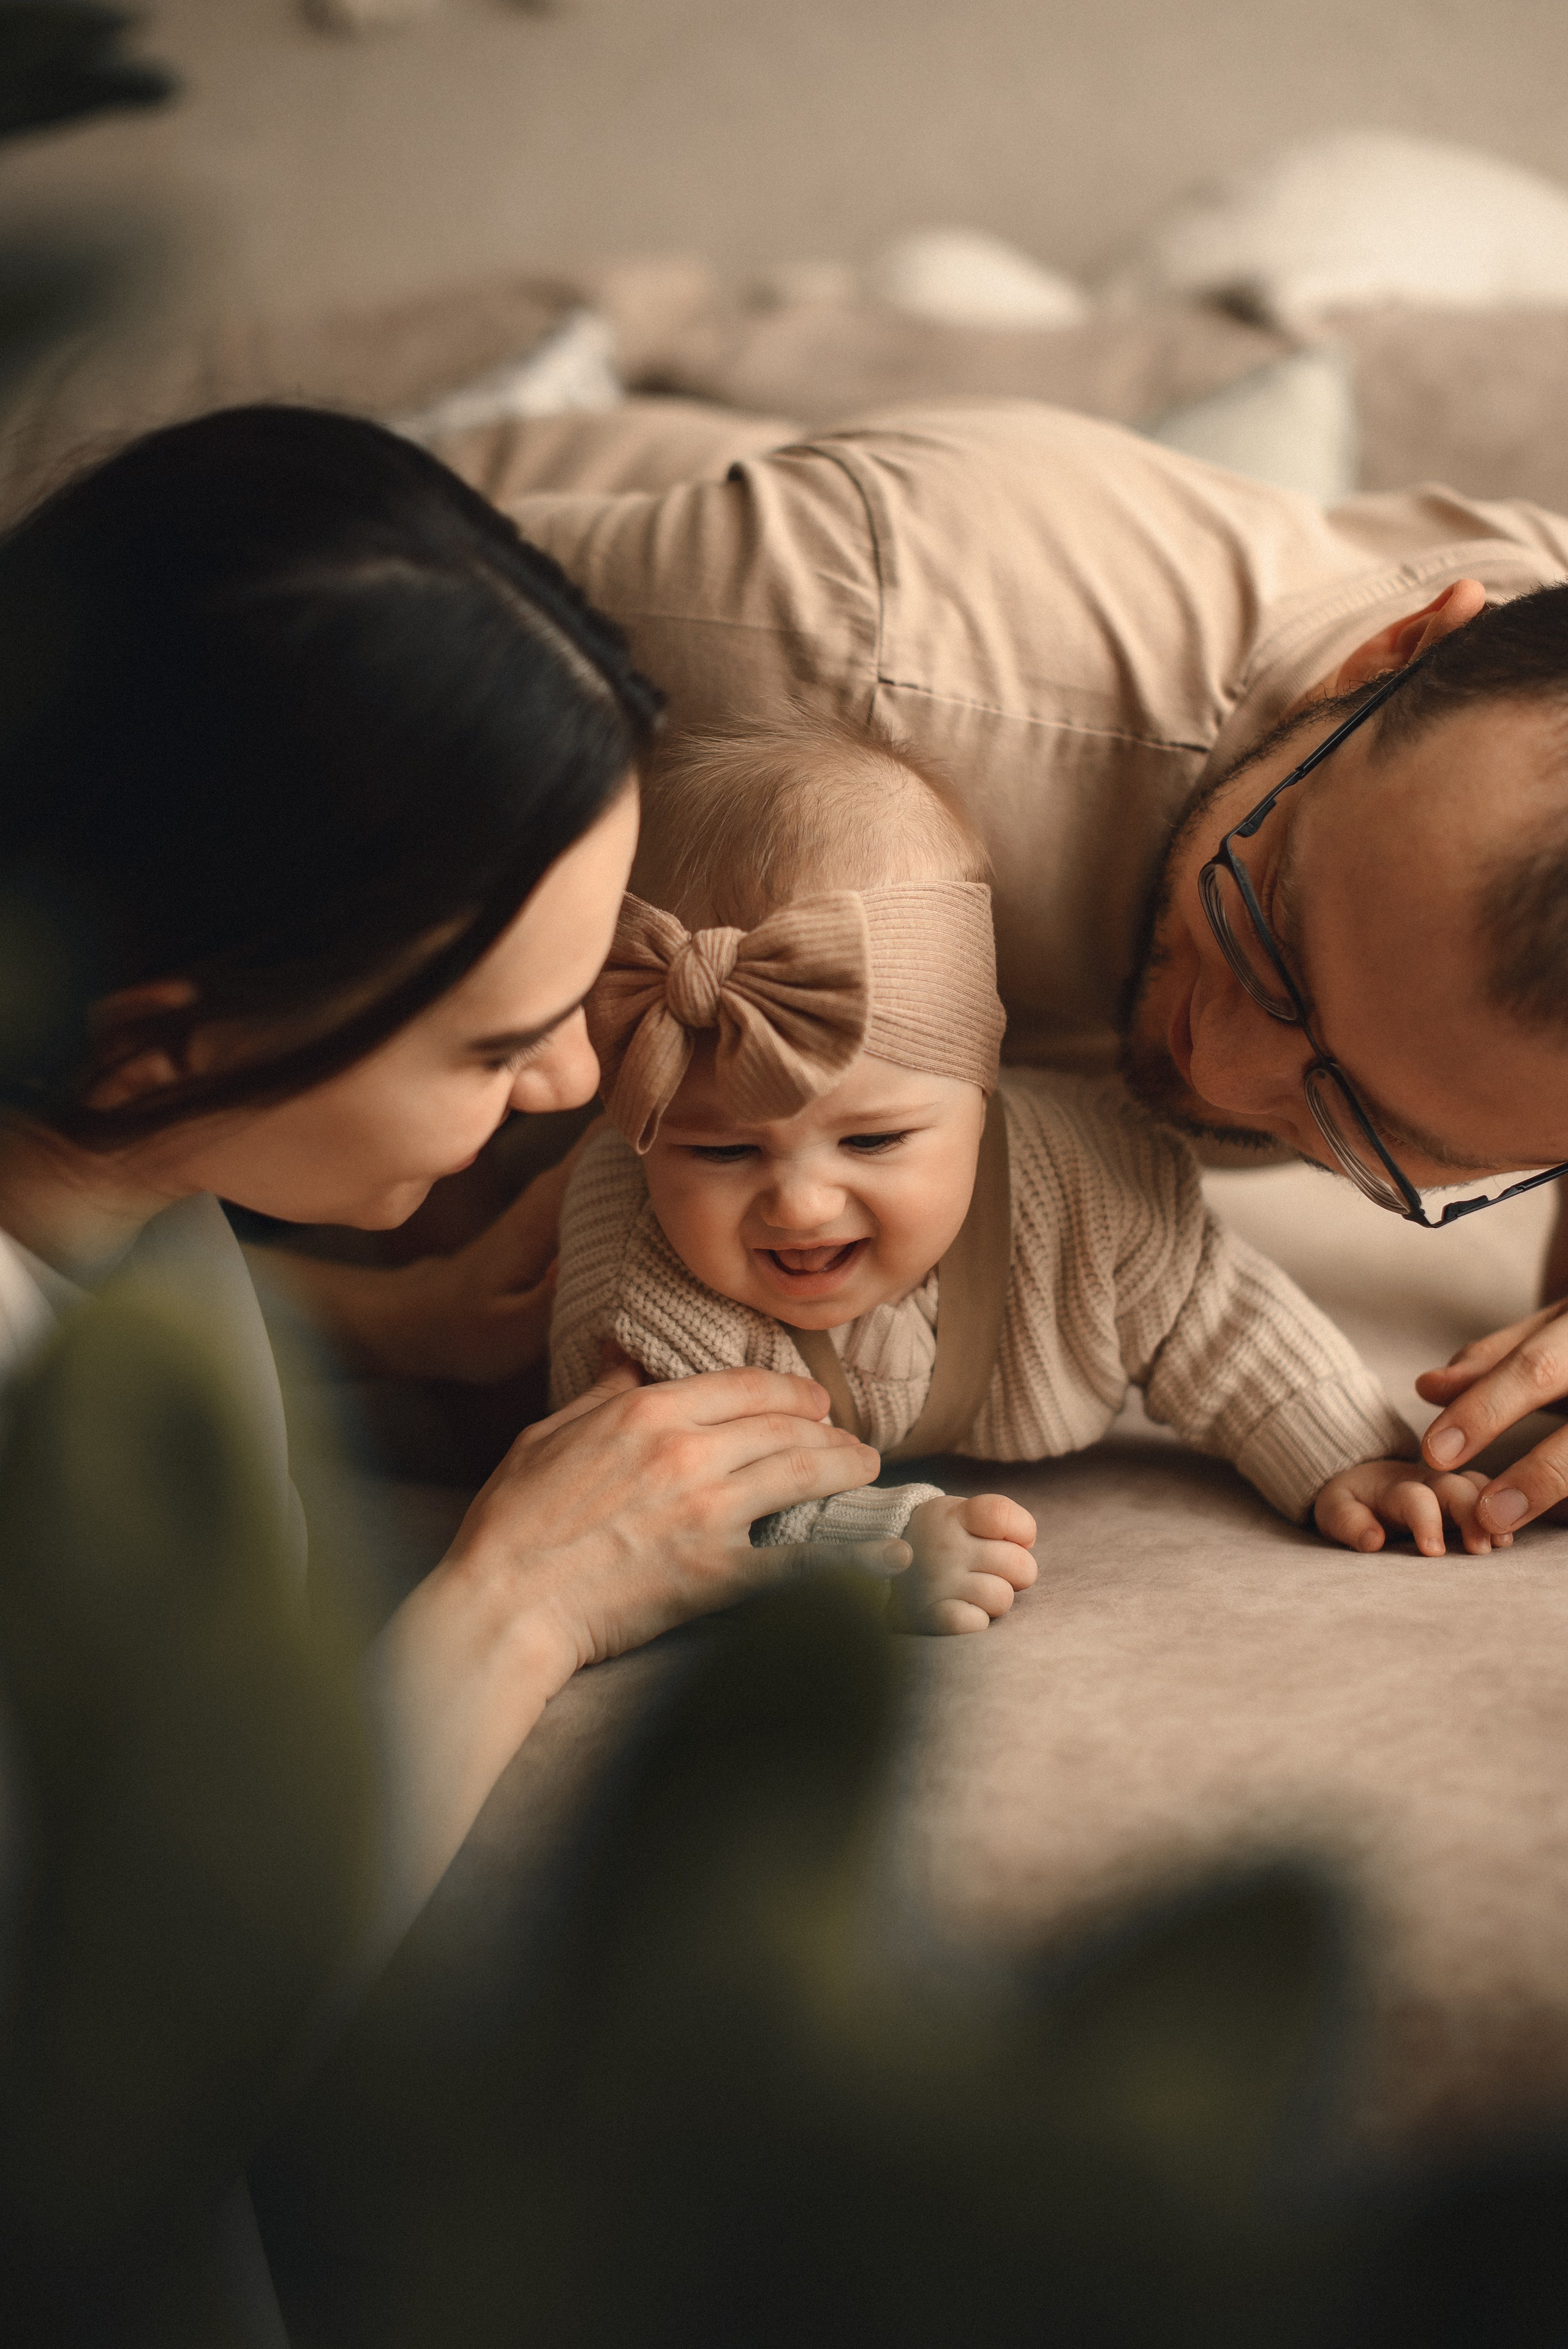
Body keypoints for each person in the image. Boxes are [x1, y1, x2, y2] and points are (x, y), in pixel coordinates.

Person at [0, 401, 900, 1926]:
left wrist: (388, 1316)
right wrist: (521, 1598)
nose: (572, 1080)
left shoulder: (102, 1136)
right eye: (493, 1048)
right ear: (157, 1047)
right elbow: (111, 2063)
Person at [436, 395, 1568, 1544]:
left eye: (1365, 1117)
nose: (1219, 1080)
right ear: (1390, 659)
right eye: (1269, 924)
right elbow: (296, 654)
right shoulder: (828, 636)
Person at [549, 715, 1498, 1635]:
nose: (800, 1204)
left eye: (872, 1142)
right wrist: (874, 1540)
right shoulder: (637, 1282)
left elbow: (1217, 1317)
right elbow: (669, 1506)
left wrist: (1350, 1454)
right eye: (720, 1151)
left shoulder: (1086, 1184)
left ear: (980, 1082)